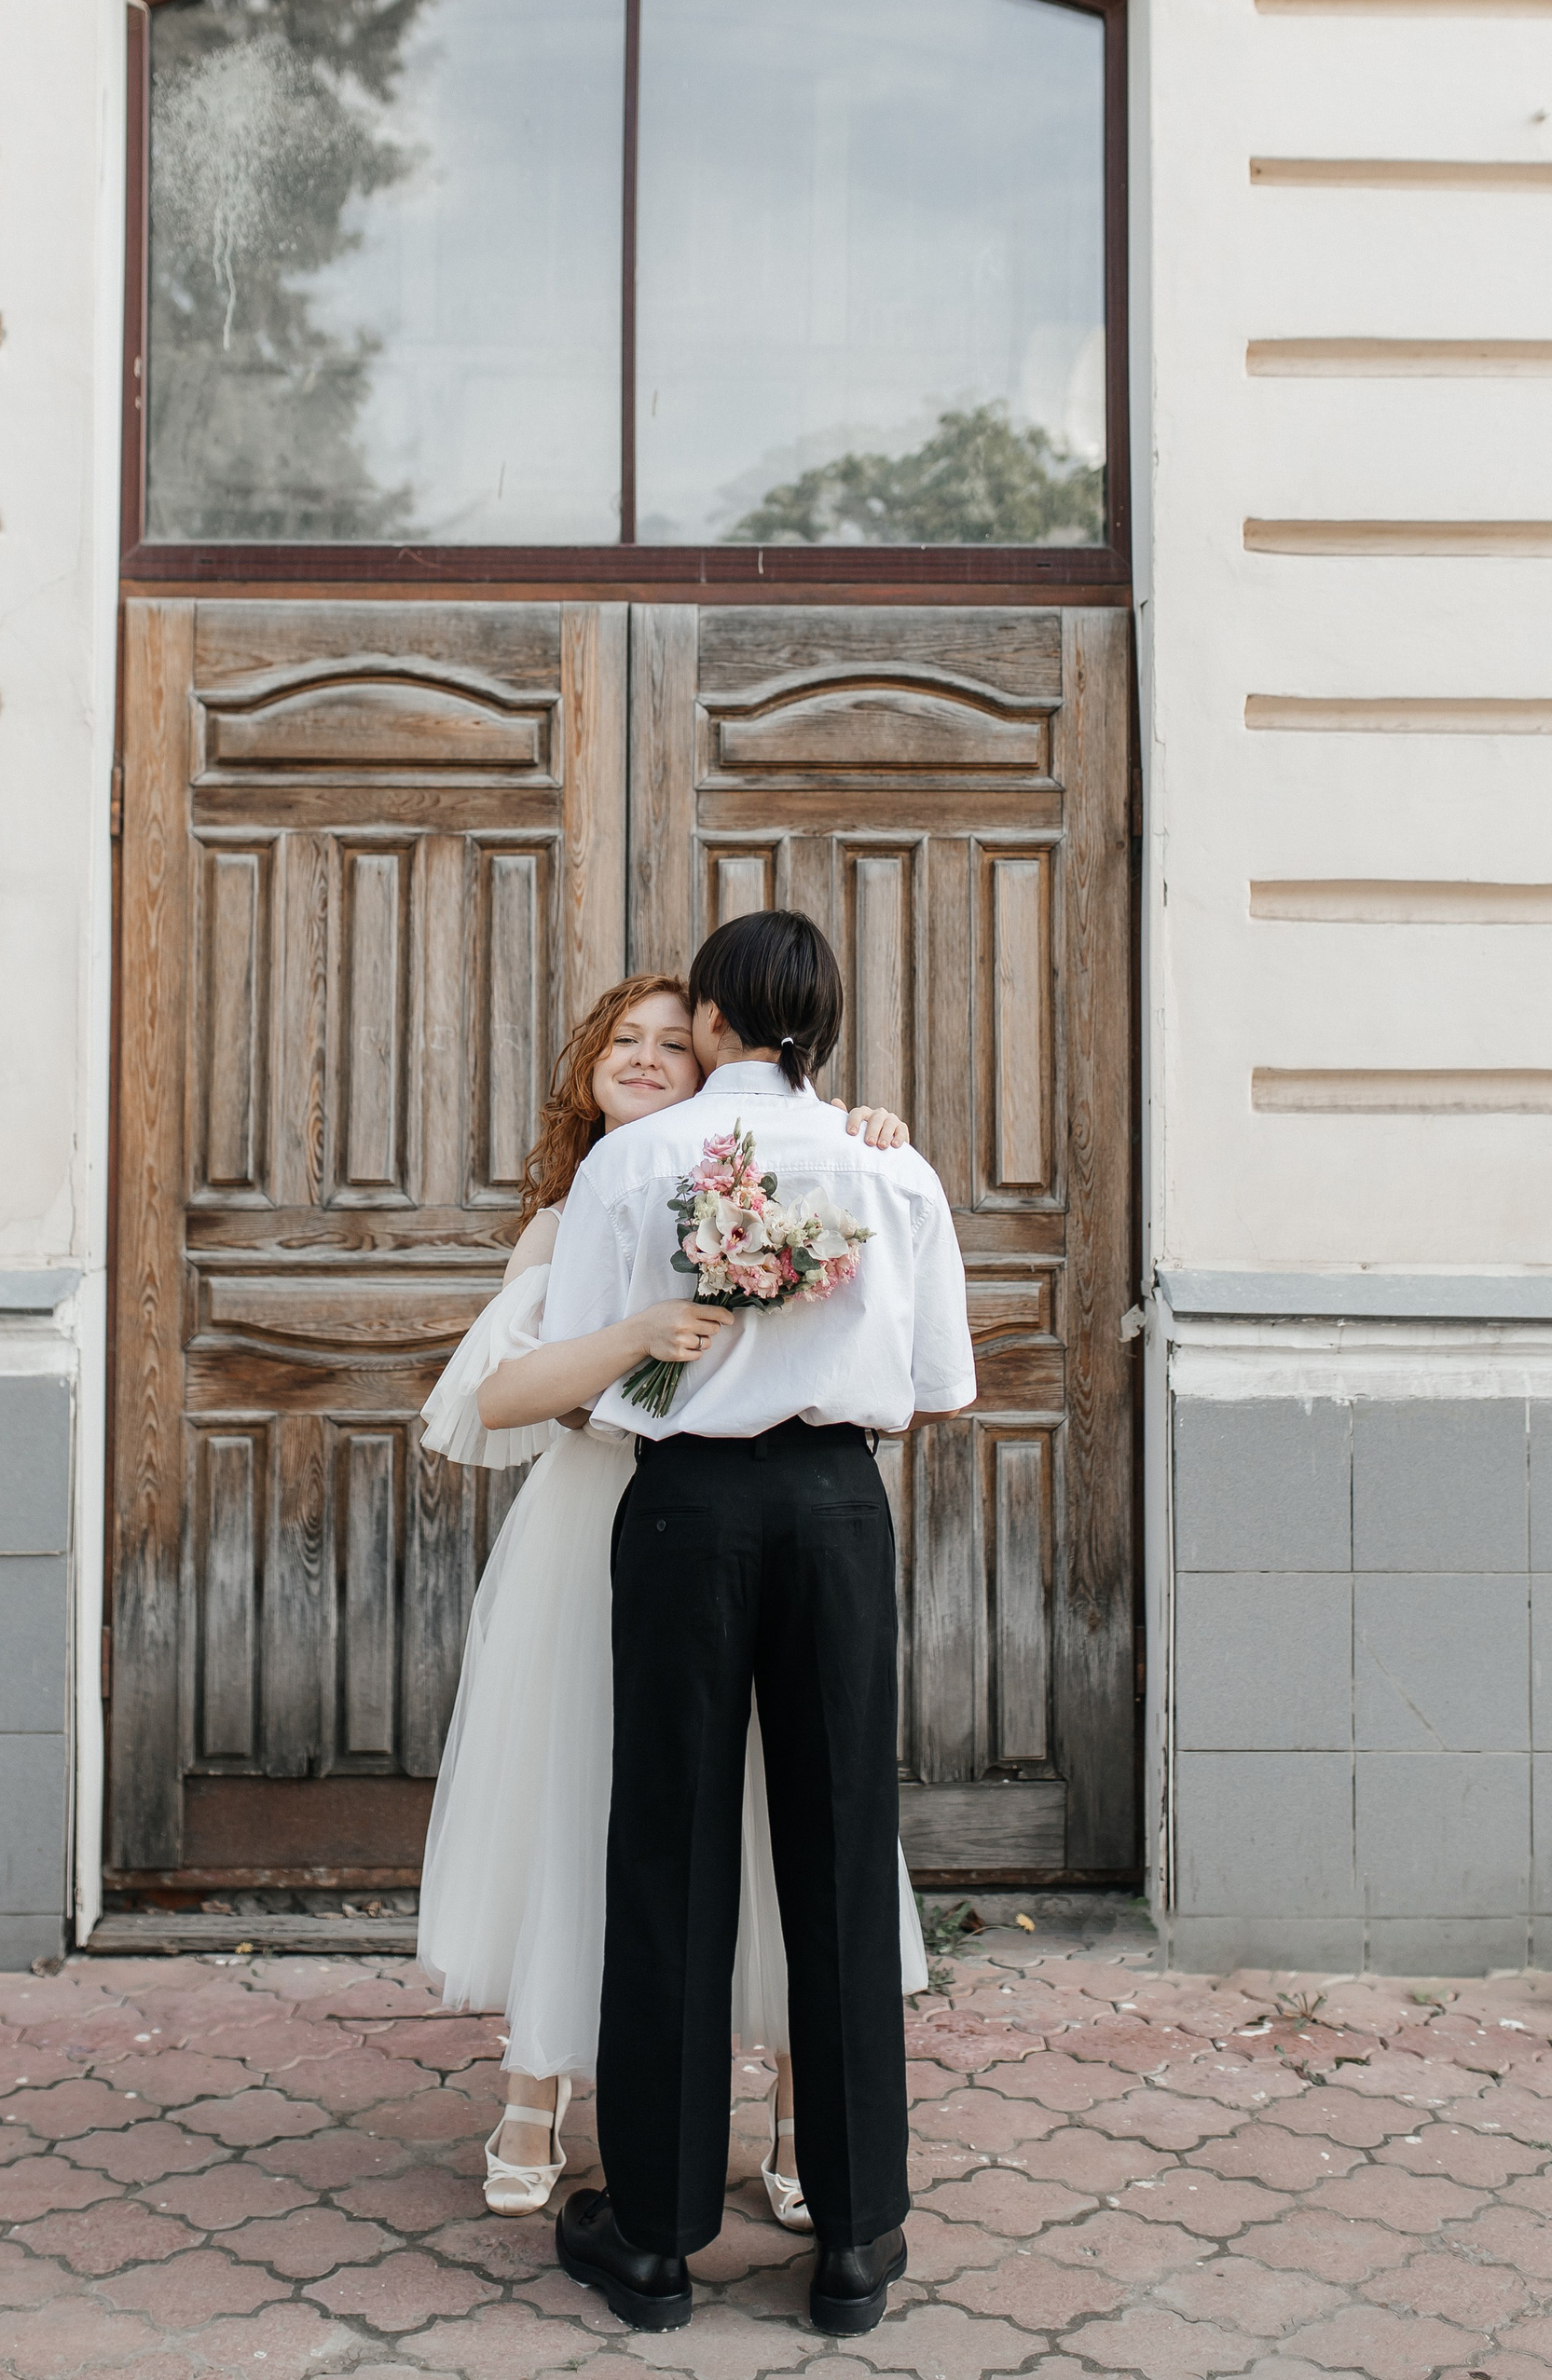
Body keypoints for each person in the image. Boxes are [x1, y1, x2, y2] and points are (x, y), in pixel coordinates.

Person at [416, 972, 928, 2223]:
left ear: (714, 1060)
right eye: (622, 1041)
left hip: (729, 1518)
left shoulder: (757, 1179)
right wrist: (639, 1334)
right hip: (598, 1523)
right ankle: (536, 2090)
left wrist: (859, 1126)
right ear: (589, 1068)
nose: (645, 1058)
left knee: (781, 1806)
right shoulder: (569, 1212)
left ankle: (803, 2116)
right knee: (585, 1804)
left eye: (669, 1042)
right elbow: (499, 1395)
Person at [548, 911, 976, 2339]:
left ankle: (656, 2238)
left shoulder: (636, 1161)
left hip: (687, 1507)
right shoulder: (887, 1165)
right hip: (836, 1506)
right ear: (824, 1027)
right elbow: (935, 1386)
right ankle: (854, 2236)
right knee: (843, 1841)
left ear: (716, 1022)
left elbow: (585, 1367)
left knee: (667, 1844)